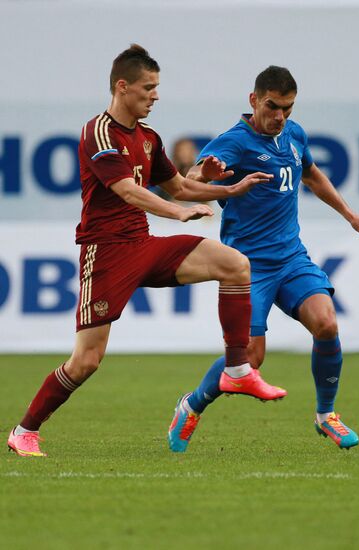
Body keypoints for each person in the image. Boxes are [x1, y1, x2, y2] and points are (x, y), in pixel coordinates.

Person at [7, 46, 287, 458]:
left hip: (144, 244)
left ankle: (237, 369)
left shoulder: (149, 138)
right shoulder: (98, 132)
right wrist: (177, 212)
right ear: (123, 87)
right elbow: (127, 190)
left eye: (157, 88)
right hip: (106, 254)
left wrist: (230, 188)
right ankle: (24, 430)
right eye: (148, 88)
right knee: (85, 361)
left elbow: (181, 186)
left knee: (234, 264)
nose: (155, 96)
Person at [168, 65, 359, 452]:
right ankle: (191, 405)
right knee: (250, 359)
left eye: (287, 108)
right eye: (272, 106)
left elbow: (312, 175)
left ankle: (326, 416)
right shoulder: (234, 143)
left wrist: (351, 215)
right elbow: (190, 178)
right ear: (254, 100)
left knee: (326, 323)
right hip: (247, 267)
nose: (279, 116)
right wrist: (206, 174)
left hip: (291, 258)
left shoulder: (294, 133)